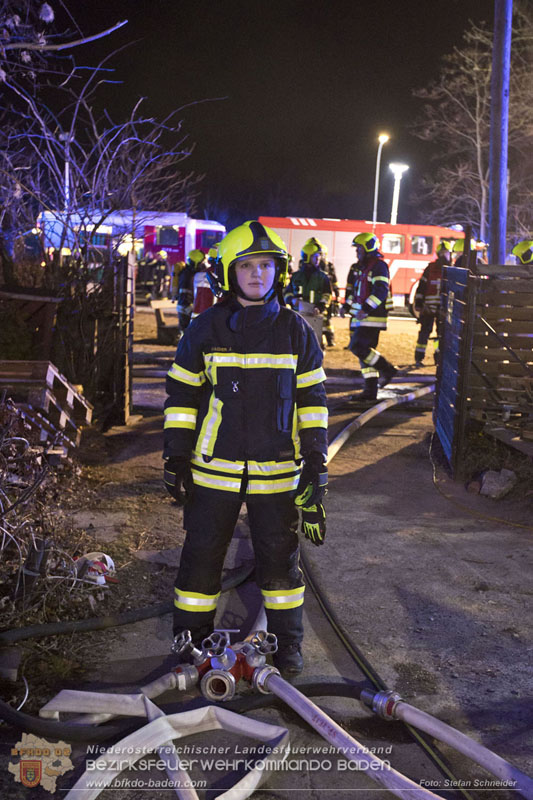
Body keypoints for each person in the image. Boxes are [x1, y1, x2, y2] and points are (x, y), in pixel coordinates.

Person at [163, 220, 328, 677]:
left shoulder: (297, 333)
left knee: (280, 564)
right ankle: (190, 646)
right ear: (228, 273)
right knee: (201, 560)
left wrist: (317, 467)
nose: (259, 275)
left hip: (277, 474)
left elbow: (313, 403)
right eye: (248, 266)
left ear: (280, 271)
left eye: (267, 265)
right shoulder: (203, 329)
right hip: (213, 470)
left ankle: (287, 646)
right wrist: (175, 457)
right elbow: (181, 398)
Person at [346, 232, 396, 402]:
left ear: (367, 247)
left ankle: (387, 369)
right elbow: (356, 292)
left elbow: (381, 291)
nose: (357, 251)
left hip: (372, 317)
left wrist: (366, 309)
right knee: (364, 354)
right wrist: (348, 308)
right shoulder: (362, 267)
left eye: (359, 248)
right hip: (361, 317)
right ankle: (370, 391)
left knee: (358, 347)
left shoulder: (379, 266)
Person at [283, 239, 332, 348]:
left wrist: (321, 306)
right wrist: (291, 299)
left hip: (315, 314)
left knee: (316, 345)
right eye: (316, 256)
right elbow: (287, 293)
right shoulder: (296, 276)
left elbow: (327, 294)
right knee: (298, 343)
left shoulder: (323, 277)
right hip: (298, 314)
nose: (318, 259)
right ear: (308, 257)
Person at [413, 240, 452, 366]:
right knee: (440, 334)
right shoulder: (451, 270)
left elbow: (421, 287)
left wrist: (419, 304)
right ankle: (437, 358)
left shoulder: (430, 268)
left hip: (429, 308)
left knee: (425, 333)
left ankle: (419, 358)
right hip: (442, 309)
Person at [176, 249, 206, 331]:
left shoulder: (187, 272)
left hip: (186, 306)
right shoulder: (188, 274)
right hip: (186, 306)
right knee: (187, 331)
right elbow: (185, 292)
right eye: (201, 262)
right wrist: (189, 308)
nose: (202, 264)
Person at [319, 242, 340, 347]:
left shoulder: (329, 266)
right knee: (321, 318)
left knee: (327, 319)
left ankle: (330, 339)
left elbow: (335, 281)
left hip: (328, 296)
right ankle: (323, 339)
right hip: (318, 295)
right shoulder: (313, 266)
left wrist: (337, 296)